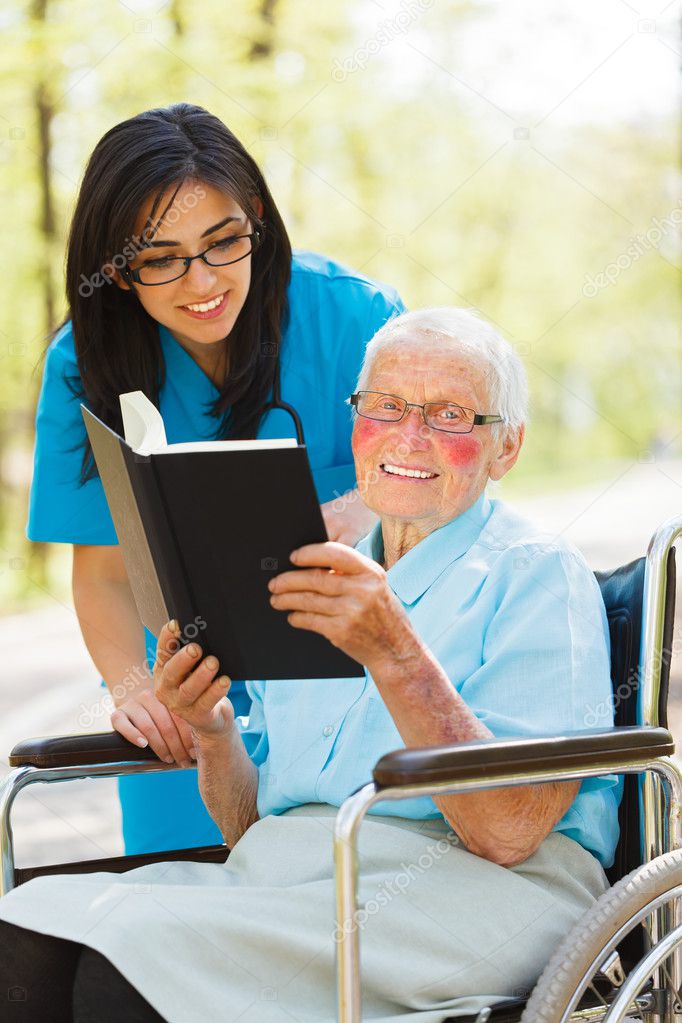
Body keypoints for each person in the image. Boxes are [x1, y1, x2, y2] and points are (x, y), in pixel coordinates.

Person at [0, 308, 620, 1022]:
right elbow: (244, 825)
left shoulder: (536, 573)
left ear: (505, 447)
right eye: (386, 406)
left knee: (129, 971)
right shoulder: (313, 576)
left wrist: (395, 654)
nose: (408, 436)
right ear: (357, 421)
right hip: (292, 875)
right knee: (29, 935)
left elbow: (508, 831)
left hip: (474, 892)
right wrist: (212, 727)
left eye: (450, 415)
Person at [26, 102, 404, 856]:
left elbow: (444, 494)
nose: (201, 282)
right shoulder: (83, 363)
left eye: (223, 242)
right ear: (117, 266)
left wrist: (362, 505)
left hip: (345, 707)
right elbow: (102, 572)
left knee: (337, 923)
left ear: (256, 217)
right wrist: (134, 689)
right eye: (160, 258)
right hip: (189, 709)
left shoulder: (358, 319)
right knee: (183, 925)